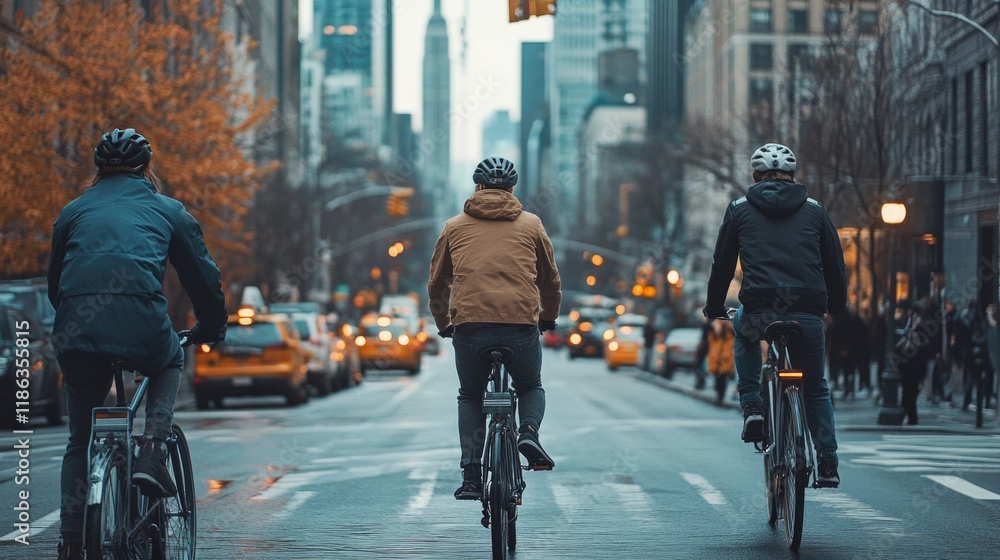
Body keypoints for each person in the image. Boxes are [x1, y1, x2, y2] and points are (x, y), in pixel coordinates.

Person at [48, 128, 228, 560]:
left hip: (77, 330)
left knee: (80, 438)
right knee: (169, 359)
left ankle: (71, 540)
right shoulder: (167, 210)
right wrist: (212, 325)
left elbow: (57, 283)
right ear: (147, 168)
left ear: (98, 170)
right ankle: (152, 448)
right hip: (142, 324)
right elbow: (202, 277)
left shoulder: (72, 212)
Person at [704, 142, 847, 488]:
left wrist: (714, 305)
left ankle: (753, 406)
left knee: (744, 331)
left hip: (759, 307)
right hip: (808, 308)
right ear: (793, 176)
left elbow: (722, 265)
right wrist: (837, 305)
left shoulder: (739, 209)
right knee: (815, 388)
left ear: (755, 176)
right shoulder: (815, 210)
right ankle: (827, 460)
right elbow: (835, 265)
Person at [427, 156, 562, 500]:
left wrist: (444, 323)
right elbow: (550, 280)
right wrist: (548, 316)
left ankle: (472, 474)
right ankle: (528, 432)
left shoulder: (453, 227)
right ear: (512, 189)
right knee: (530, 385)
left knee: (470, 395)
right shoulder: (532, 225)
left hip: (471, 327)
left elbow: (437, 284)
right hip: (520, 325)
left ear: (478, 187)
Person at [705, 319, 736, 406]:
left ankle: (720, 397)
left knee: (723, 378)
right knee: (717, 377)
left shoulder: (729, 328)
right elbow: (709, 338)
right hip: (715, 356)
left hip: (725, 357)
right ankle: (719, 395)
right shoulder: (713, 328)